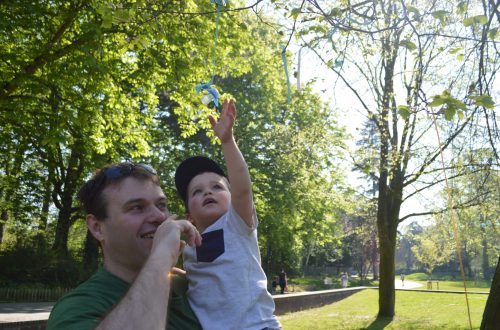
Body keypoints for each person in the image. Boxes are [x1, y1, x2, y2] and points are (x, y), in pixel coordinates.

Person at [47, 163, 203, 329]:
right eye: (136, 207)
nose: (159, 216)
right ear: (97, 228)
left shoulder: (193, 286)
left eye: (161, 205)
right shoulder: (77, 308)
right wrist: (162, 256)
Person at [174, 99, 281, 330]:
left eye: (217, 187)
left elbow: (243, 187)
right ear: (189, 215)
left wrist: (227, 140)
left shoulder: (237, 224)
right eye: (197, 191)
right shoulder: (190, 246)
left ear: (232, 199)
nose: (208, 192)